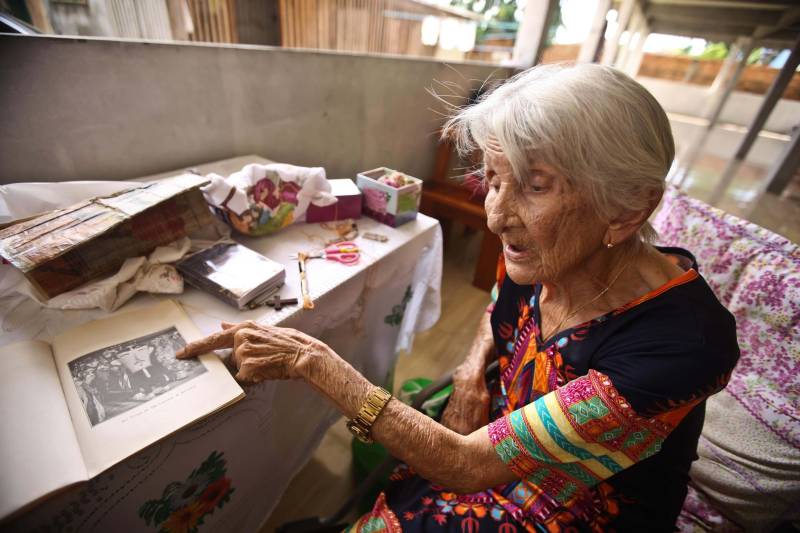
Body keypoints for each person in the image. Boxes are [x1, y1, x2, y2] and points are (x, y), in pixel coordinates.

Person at [176, 64, 740, 532]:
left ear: (628, 208)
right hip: (490, 460)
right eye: (493, 179)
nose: (496, 215)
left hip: (571, 512)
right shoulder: (545, 253)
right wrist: (472, 372)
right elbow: (500, 305)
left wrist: (312, 361)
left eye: (535, 184)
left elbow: (471, 465)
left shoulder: (686, 344)